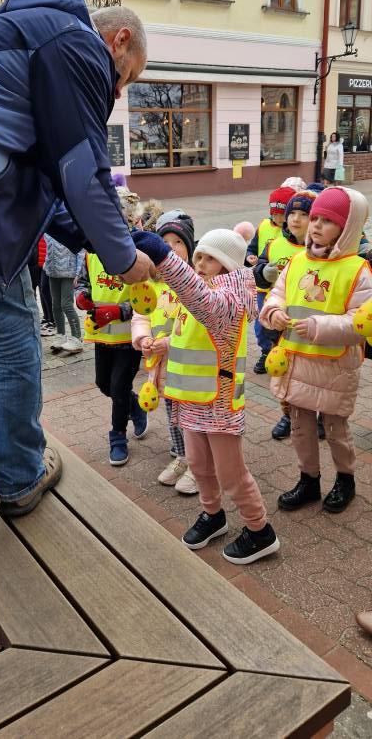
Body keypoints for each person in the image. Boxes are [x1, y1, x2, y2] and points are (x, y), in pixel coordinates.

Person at [0, 0, 153, 541]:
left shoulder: (21, 39)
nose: (118, 91)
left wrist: (97, 240)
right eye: (127, 77)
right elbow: (80, 172)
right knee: (8, 331)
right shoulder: (76, 42)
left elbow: (49, 190)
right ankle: (21, 476)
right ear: (118, 40)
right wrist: (124, 258)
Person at [132, 226, 280, 565]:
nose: (199, 264)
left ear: (228, 264)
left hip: (219, 402)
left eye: (209, 259)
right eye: (198, 256)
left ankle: (260, 531)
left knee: (231, 473)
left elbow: (205, 306)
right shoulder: (206, 291)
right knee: (199, 465)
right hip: (192, 399)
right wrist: (163, 343)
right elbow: (191, 333)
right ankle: (213, 515)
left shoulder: (229, 298)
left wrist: (163, 256)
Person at [260, 187, 372, 513]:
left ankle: (345, 480)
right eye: (316, 218)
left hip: (335, 367)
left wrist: (318, 327)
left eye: (328, 220)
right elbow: (277, 294)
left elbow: (359, 322)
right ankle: (308, 480)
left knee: (336, 430)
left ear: (347, 227)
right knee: (300, 427)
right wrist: (273, 312)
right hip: (297, 360)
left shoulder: (358, 270)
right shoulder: (297, 260)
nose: (316, 225)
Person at [75, 187, 148, 466]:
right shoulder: (91, 251)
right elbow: (82, 282)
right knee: (103, 384)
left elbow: (148, 298)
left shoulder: (139, 252)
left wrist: (120, 311)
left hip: (130, 336)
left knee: (118, 387)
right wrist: (82, 296)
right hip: (101, 333)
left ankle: (118, 436)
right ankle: (135, 405)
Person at [132, 210, 198, 495]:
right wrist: (143, 338)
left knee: (190, 418)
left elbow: (194, 325)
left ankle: (197, 466)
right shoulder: (150, 285)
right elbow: (140, 315)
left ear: (190, 248)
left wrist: (169, 342)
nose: (171, 248)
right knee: (172, 416)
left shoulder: (193, 284)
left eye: (178, 242)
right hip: (160, 365)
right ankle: (182, 457)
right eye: (165, 242)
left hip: (187, 366)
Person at [254, 191, 316, 439]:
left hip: (309, 323)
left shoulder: (321, 251)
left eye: (304, 214)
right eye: (292, 213)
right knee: (284, 373)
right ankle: (288, 415)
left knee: (313, 373)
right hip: (280, 322)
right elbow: (257, 273)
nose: (296, 219)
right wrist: (262, 272)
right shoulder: (275, 244)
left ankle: (320, 416)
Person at [246, 187, 295, 374]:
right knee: (261, 325)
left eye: (282, 214)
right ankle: (266, 351)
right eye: (275, 214)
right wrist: (250, 257)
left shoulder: (294, 233)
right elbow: (252, 248)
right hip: (262, 286)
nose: (278, 218)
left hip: (284, 291)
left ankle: (281, 352)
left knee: (280, 324)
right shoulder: (263, 226)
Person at [43, 237, 85, 354]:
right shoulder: (47, 230)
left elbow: (80, 251)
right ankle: (60, 335)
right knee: (55, 305)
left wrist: (78, 272)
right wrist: (47, 265)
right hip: (53, 272)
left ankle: (77, 338)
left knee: (66, 305)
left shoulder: (70, 229)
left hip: (69, 272)